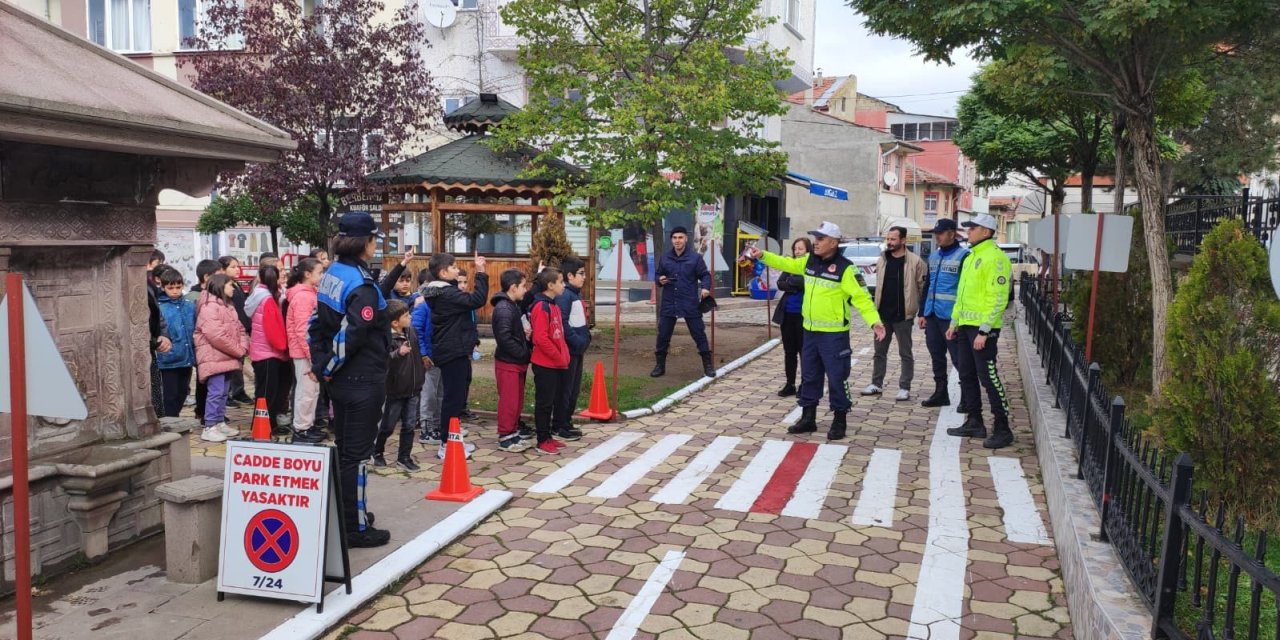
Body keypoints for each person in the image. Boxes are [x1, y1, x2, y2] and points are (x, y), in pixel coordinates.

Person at [748, 222, 886, 440]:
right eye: (815, 238)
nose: (816, 242)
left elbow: (862, 298)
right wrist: (762, 255)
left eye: (820, 239)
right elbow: (786, 263)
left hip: (834, 336)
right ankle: (808, 418)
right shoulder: (809, 261)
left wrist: (874, 322)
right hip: (810, 332)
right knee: (810, 376)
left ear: (833, 242)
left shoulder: (846, 268)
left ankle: (839, 419)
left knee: (836, 378)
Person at [309, 212, 393, 548]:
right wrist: (328, 366)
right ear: (365, 242)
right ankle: (355, 527)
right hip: (360, 379)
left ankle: (349, 513)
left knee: (345, 450)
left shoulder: (334, 273)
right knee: (356, 456)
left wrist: (320, 365)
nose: (376, 244)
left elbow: (316, 323)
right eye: (374, 238)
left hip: (342, 382)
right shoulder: (361, 284)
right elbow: (352, 335)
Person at [946, 213, 1015, 449]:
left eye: (972, 228)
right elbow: (962, 296)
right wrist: (954, 322)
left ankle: (1003, 428)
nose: (968, 232)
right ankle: (974, 421)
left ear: (986, 232)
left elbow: (998, 298)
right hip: (965, 326)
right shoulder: (971, 257)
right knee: (966, 374)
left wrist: (984, 331)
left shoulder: (996, 259)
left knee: (989, 378)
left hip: (982, 330)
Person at [422, 253, 488, 459]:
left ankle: (453, 439)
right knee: (452, 399)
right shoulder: (446, 294)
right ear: (443, 272)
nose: (457, 269)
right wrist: (481, 273)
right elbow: (477, 299)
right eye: (453, 267)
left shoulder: (442, 292)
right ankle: (446, 444)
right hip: (452, 351)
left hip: (456, 349)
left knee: (456, 398)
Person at [862, 226, 928, 401]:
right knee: (879, 352)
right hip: (882, 316)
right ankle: (876, 384)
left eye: (893, 239)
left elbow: (922, 289)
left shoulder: (915, 262)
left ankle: (904, 387)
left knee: (905, 353)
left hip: (903, 316)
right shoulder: (882, 259)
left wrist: (922, 313)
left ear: (903, 240)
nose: (889, 242)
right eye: (888, 239)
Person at [918, 219, 972, 410]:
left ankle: (967, 397)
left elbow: (966, 290)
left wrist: (958, 320)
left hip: (951, 318)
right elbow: (928, 286)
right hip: (933, 315)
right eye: (936, 233)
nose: (937, 236)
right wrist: (922, 312)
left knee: (960, 359)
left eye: (940, 233)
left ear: (952, 233)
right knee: (936, 357)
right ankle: (941, 393)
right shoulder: (933, 257)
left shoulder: (964, 256)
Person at [652, 226, 715, 378]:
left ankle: (708, 365)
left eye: (680, 237)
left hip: (689, 302)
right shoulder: (666, 258)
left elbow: (705, 276)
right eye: (674, 238)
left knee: (698, 333)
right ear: (671, 240)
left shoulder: (695, 258)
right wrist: (660, 279)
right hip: (669, 302)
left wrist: (706, 288)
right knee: (663, 335)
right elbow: (658, 275)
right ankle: (660, 366)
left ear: (686, 239)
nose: (677, 241)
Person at [194, 274, 248, 443]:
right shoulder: (209, 307)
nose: (234, 289)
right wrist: (238, 350)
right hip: (214, 357)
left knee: (224, 392)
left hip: (227, 356)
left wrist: (243, 346)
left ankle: (219, 421)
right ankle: (210, 425)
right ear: (220, 286)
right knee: (216, 392)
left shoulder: (228, 306)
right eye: (230, 285)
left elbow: (240, 328)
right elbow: (216, 335)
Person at [373, 300, 425, 470]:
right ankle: (377, 451)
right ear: (395, 322)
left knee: (409, 425)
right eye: (406, 316)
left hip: (413, 387)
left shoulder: (411, 331)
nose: (409, 317)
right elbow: (382, 360)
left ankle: (404, 457)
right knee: (388, 425)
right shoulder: (386, 338)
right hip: (394, 390)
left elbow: (417, 352)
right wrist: (397, 353)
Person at [529, 267, 571, 454]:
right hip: (545, 364)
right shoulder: (541, 306)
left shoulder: (553, 305)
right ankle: (542, 439)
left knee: (552, 401)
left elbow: (558, 335)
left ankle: (548, 436)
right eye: (561, 281)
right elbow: (540, 338)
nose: (564, 285)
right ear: (550, 285)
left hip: (556, 363)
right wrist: (557, 355)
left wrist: (564, 356)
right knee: (544, 403)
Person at [246, 264, 291, 434]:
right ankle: (264, 427)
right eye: (282, 276)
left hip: (262, 351)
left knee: (265, 393)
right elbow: (274, 331)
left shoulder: (259, 295)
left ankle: (266, 425)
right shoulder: (267, 300)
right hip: (268, 353)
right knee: (266, 394)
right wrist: (284, 347)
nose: (285, 278)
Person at [492, 268, 533, 452]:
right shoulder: (503, 309)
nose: (526, 290)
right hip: (508, 362)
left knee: (517, 400)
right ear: (513, 287)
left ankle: (513, 432)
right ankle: (506, 436)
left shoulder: (512, 306)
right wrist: (523, 354)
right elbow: (504, 338)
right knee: (509, 401)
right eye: (523, 286)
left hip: (516, 362)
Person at [286, 258, 327, 443]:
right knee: (306, 392)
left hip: (310, 353)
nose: (322, 276)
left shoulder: (311, 293)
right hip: (304, 354)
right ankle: (300, 429)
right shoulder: (303, 297)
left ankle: (307, 426)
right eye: (320, 272)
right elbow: (303, 330)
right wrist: (313, 357)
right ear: (307, 274)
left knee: (313, 392)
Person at [555, 256, 590, 441]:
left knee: (574, 389)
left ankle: (566, 421)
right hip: (570, 350)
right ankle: (559, 424)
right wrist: (576, 341)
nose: (584, 277)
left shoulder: (576, 294)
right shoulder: (566, 295)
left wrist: (586, 338)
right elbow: (563, 322)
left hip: (578, 349)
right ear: (570, 275)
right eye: (581, 274)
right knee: (565, 389)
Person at [772, 238, 811, 397]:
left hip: (804, 316)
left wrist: (793, 282)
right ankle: (790, 383)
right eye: (795, 249)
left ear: (808, 251)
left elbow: (805, 282)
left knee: (804, 352)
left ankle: (805, 384)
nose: (797, 252)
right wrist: (795, 283)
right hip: (787, 314)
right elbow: (780, 283)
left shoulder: (811, 266)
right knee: (789, 352)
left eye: (801, 249)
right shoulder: (790, 265)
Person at [156, 268, 196, 418]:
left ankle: (174, 418)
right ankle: (170, 422)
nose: (174, 291)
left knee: (183, 392)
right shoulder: (159, 307)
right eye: (170, 288)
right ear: (163, 287)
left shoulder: (189, 305)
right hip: (168, 359)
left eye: (178, 287)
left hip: (186, 357)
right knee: (170, 395)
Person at [187, 259, 224, 423]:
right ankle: (203, 413)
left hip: (215, 348)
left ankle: (215, 415)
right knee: (203, 382)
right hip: (202, 345)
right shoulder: (194, 297)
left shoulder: (217, 296)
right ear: (207, 276)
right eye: (218, 275)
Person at [412, 268, 445, 446]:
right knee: (429, 394)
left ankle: (437, 425)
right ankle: (426, 429)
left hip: (441, 357)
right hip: (428, 359)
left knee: (440, 393)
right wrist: (424, 354)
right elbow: (416, 331)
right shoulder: (423, 306)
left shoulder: (440, 305)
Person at [218, 256, 253, 407]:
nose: (237, 269)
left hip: (241, 327)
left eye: (237, 266)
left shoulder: (236, 285)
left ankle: (239, 391)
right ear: (223, 269)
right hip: (231, 330)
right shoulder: (222, 287)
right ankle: (229, 394)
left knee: (240, 361)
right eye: (232, 267)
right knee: (231, 363)